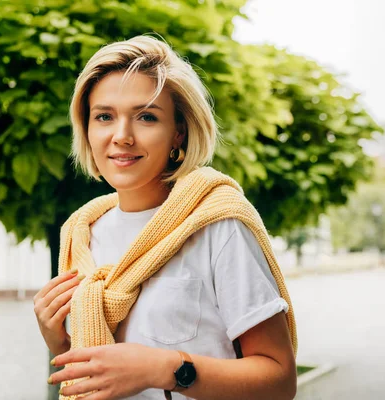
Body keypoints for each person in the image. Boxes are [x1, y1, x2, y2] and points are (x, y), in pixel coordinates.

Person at [34, 35, 297, 400]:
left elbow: (279, 381)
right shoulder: (81, 235)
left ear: (178, 134)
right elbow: (91, 381)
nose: (121, 136)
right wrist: (59, 340)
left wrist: (165, 369)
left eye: (146, 117)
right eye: (104, 117)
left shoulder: (218, 225)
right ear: (88, 130)